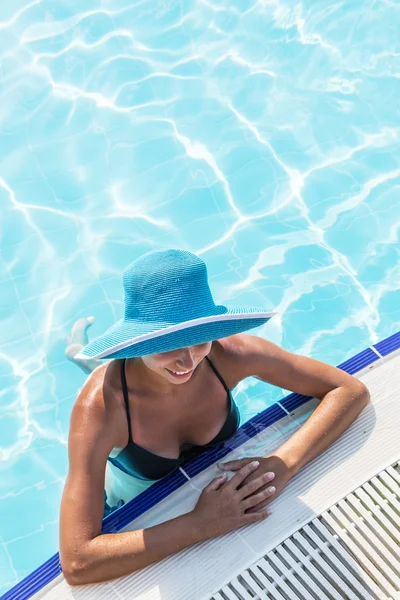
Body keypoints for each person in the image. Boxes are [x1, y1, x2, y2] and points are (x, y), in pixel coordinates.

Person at [60, 249, 370, 586]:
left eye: (198, 340)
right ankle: (78, 354)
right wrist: (200, 524)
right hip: (127, 499)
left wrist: (285, 463)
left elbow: (349, 390)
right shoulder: (101, 410)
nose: (187, 361)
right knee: (99, 371)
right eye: (168, 345)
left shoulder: (229, 354)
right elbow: (78, 561)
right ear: (136, 342)